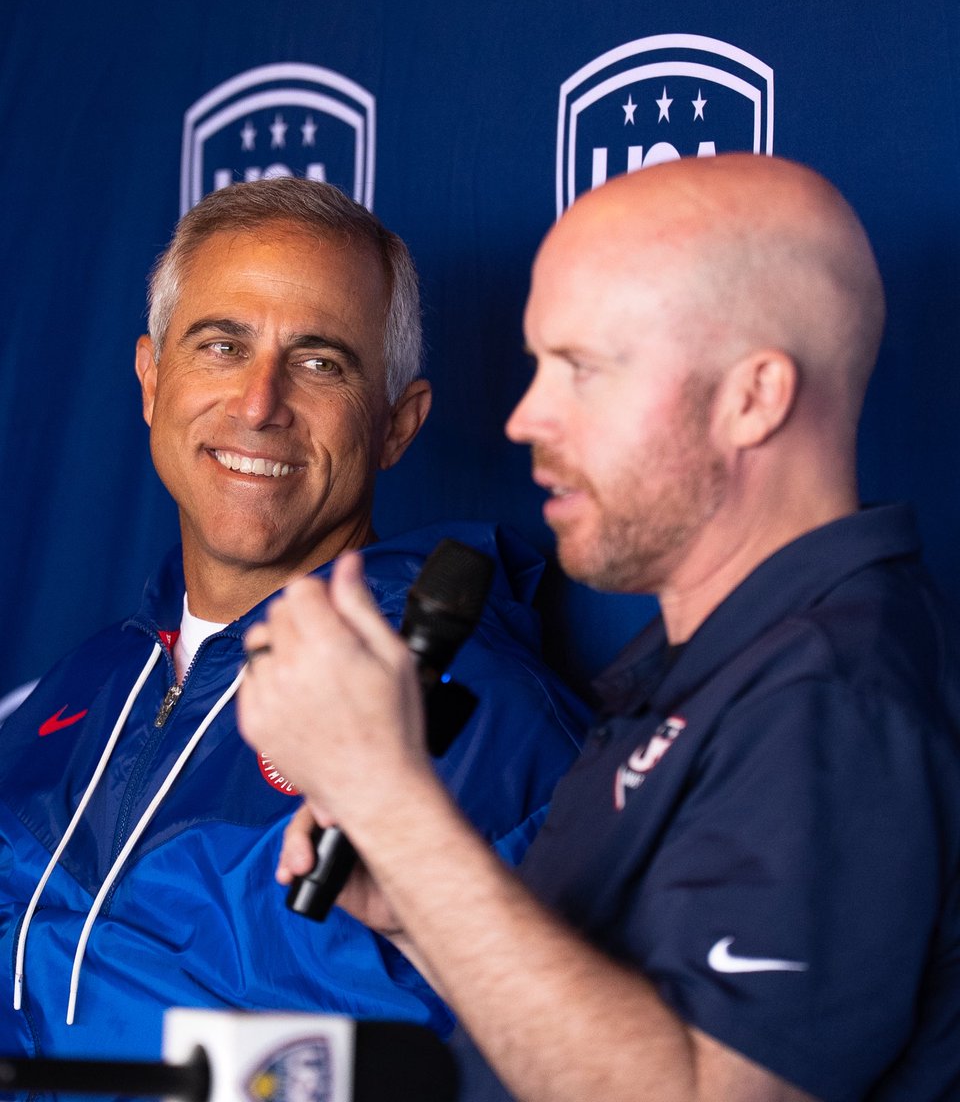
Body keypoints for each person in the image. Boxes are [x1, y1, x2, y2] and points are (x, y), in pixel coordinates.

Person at [238, 154, 960, 1102]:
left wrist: (392, 804)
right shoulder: (704, 661)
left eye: (583, 369)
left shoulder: (834, 697)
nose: (527, 416)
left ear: (755, 398)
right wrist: (416, 911)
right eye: (540, 365)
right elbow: (596, 1045)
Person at [0, 177, 590, 1068]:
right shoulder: (84, 682)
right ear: (152, 380)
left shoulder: (481, 712)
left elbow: (561, 1062)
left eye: (320, 362)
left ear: (398, 425)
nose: (259, 403)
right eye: (221, 345)